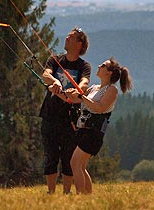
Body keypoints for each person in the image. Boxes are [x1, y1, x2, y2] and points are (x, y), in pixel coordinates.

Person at [65, 57, 133, 194]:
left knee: (75, 163)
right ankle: (88, 197)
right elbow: (78, 100)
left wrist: (81, 97)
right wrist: (66, 93)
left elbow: (100, 108)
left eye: (103, 65)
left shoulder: (111, 90)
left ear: (109, 72)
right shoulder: (94, 88)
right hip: (83, 130)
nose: (99, 66)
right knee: (81, 166)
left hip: (94, 133)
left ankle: (80, 196)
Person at [39, 26, 91, 194]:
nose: (66, 38)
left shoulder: (84, 66)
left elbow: (84, 82)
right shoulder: (55, 60)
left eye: (71, 37)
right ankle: (51, 192)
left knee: (68, 157)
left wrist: (77, 89)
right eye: (67, 35)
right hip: (50, 115)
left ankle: (67, 193)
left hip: (70, 118)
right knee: (50, 155)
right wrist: (55, 81)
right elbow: (45, 74)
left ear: (80, 44)